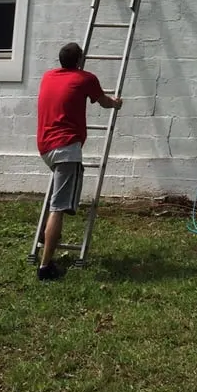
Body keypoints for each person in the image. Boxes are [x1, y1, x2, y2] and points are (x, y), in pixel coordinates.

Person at [35, 41, 122, 281]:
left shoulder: (48, 76)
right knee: (59, 207)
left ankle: (44, 237)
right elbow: (104, 102)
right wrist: (116, 103)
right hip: (66, 149)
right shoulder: (85, 78)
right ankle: (45, 268)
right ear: (80, 60)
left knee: (56, 197)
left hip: (45, 147)